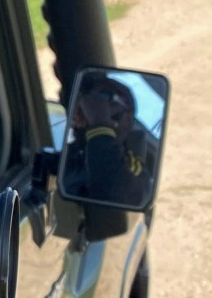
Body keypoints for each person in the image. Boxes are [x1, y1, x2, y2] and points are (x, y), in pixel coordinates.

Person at [63, 73, 153, 207]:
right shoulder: (68, 156)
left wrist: (100, 125)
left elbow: (120, 195)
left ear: (127, 118)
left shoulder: (134, 169)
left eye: (104, 99)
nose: (93, 109)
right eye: (88, 105)